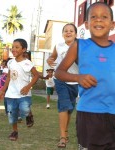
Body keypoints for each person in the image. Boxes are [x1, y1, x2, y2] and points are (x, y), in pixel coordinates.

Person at [55, 2, 115, 150]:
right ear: (87, 24)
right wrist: (78, 78)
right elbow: (59, 72)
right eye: (94, 17)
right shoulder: (79, 45)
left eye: (104, 17)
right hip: (90, 113)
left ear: (112, 24)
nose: (99, 20)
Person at [0, 38, 39, 141]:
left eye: (17, 47)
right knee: (12, 115)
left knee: (24, 110)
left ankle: (29, 114)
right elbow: (8, 77)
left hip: (24, 94)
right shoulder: (10, 62)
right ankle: (15, 132)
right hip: (11, 94)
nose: (13, 49)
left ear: (24, 49)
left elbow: (36, 76)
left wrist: (28, 86)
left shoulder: (28, 63)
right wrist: (3, 90)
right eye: (13, 47)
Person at [47, 23, 78, 148]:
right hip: (60, 80)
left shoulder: (80, 46)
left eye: (71, 31)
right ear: (62, 34)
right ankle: (63, 137)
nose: (68, 32)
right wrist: (49, 59)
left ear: (75, 34)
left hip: (75, 81)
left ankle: (65, 132)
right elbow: (52, 57)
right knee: (64, 106)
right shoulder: (58, 46)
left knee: (70, 108)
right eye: (66, 30)